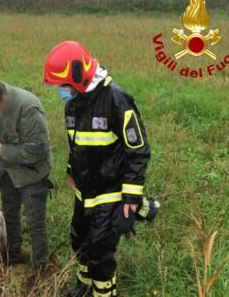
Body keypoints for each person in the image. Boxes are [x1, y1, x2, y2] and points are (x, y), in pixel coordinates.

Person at [43, 41, 159, 297]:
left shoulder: (116, 99)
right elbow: (78, 146)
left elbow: (137, 149)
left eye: (63, 85)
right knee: (79, 241)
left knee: (99, 252)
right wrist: (72, 171)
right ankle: (84, 288)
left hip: (110, 191)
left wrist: (130, 196)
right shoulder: (72, 105)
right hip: (84, 192)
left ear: (78, 76)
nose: (61, 91)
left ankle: (104, 292)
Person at [0, 77, 53, 269]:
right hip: (7, 172)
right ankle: (14, 253)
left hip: (32, 174)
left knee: (35, 221)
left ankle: (41, 265)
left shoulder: (28, 108)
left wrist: (3, 151)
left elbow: (38, 149)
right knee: (9, 214)